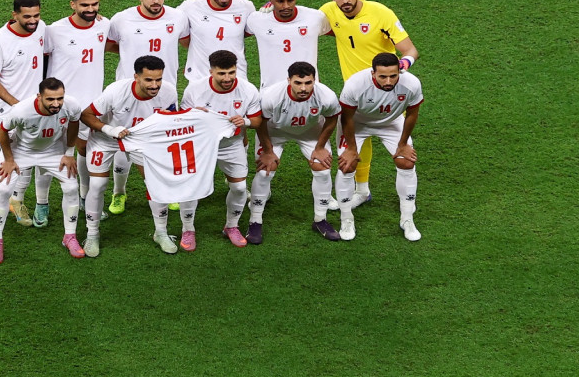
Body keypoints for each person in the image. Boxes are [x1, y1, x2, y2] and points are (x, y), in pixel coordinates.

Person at [321, 0, 421, 206]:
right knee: (357, 140)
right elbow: (303, 22)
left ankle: (402, 205)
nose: (345, 0)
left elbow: (411, 50)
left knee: (397, 151)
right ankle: (362, 190)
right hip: (356, 92)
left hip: (386, 89)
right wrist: (271, 8)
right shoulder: (329, 11)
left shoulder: (381, 14)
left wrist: (401, 66)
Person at [79, 55, 179, 257]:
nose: (155, 85)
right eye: (148, 80)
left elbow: (171, 118)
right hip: (106, 139)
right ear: (136, 77)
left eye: (158, 79)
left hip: (141, 139)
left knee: (156, 183)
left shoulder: (168, 91)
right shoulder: (116, 91)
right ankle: (92, 234)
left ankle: (161, 233)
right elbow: (86, 114)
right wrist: (109, 129)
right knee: (97, 185)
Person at [105, 0, 189, 214]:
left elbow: (186, 42)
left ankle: (166, 190)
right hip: (128, 92)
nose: (156, 0)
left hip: (164, 91)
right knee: (124, 141)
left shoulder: (178, 17)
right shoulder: (121, 19)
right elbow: (109, 44)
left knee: (164, 141)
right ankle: (119, 192)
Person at [34, 0, 112, 226]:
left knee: (85, 149)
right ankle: (42, 203)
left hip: (90, 106)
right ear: (73, 4)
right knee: (48, 154)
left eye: (94, 4)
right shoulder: (54, 31)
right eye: (84, 5)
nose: (91, 9)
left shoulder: (104, 24)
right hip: (58, 104)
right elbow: (39, 62)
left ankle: (84, 197)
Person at [0, 78, 83, 264]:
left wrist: (69, 153)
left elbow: (74, 122)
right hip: (21, 151)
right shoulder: (21, 110)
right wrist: (9, 159)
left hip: (53, 150)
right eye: (50, 99)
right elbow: (2, 130)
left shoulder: (71, 105)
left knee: (72, 187)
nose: (56, 104)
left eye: (60, 98)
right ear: (39, 96)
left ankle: (70, 236)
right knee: (4, 189)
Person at [117, 108, 238, 254]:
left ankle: (188, 229)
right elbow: (125, 138)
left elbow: (231, 125)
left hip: (188, 164)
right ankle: (160, 232)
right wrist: (117, 131)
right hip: (159, 155)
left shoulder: (201, 117)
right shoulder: (152, 122)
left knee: (190, 187)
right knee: (156, 186)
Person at [336, 53, 424, 242]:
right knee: (347, 165)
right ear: (373, 73)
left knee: (407, 162)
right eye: (383, 76)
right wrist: (351, 149)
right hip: (357, 124)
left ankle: (407, 218)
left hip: (391, 123)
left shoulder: (411, 84)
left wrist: (403, 144)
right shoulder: (355, 84)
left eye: (393, 76)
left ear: (399, 71)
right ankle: (346, 219)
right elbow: (346, 118)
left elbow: (412, 114)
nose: (388, 81)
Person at [249, 62, 341, 243]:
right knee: (265, 170)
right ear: (289, 80)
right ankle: (255, 221)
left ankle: (320, 220)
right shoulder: (271, 96)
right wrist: (268, 151)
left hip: (310, 131)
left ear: (315, 80)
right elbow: (261, 123)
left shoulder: (327, 96)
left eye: (308, 83)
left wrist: (320, 147)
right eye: (298, 83)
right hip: (275, 131)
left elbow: (332, 119)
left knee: (322, 169)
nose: (303, 88)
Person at [0, 0, 46, 233]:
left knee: (26, 155)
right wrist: (16, 104)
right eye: (27, 16)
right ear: (14, 14)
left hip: (31, 110)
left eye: (36, 15)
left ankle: (16, 201)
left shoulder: (41, 29)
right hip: (0, 110)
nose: (33, 20)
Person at [180, 50, 263, 247]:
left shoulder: (248, 90)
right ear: (211, 72)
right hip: (201, 146)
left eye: (231, 72)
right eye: (222, 73)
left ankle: (231, 226)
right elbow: (181, 119)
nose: (227, 78)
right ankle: (187, 229)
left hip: (231, 145)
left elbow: (258, 121)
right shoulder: (195, 90)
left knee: (239, 188)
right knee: (191, 189)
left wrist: (245, 121)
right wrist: (192, 114)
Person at [245, 0, 331, 89]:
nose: (286, 6)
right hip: (271, 90)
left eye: (290, 0)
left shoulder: (315, 18)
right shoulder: (257, 20)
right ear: (271, 0)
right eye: (280, 1)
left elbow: (339, 31)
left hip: (306, 88)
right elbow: (235, 34)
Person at [178, 0, 255, 82]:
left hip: (236, 77)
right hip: (200, 78)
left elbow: (245, 34)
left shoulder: (246, 7)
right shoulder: (189, 7)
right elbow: (178, 33)